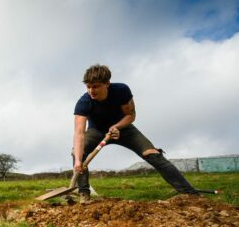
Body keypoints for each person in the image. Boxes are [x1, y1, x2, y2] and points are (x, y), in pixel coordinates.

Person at [73, 64, 198, 202]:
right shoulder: (84, 102)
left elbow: (131, 115)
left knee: (153, 154)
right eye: (88, 87)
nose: (91, 90)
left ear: (107, 83)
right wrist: (78, 160)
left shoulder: (122, 91)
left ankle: (189, 194)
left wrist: (117, 126)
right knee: (78, 153)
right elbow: (79, 133)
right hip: (96, 131)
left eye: (95, 86)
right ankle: (84, 194)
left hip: (124, 128)